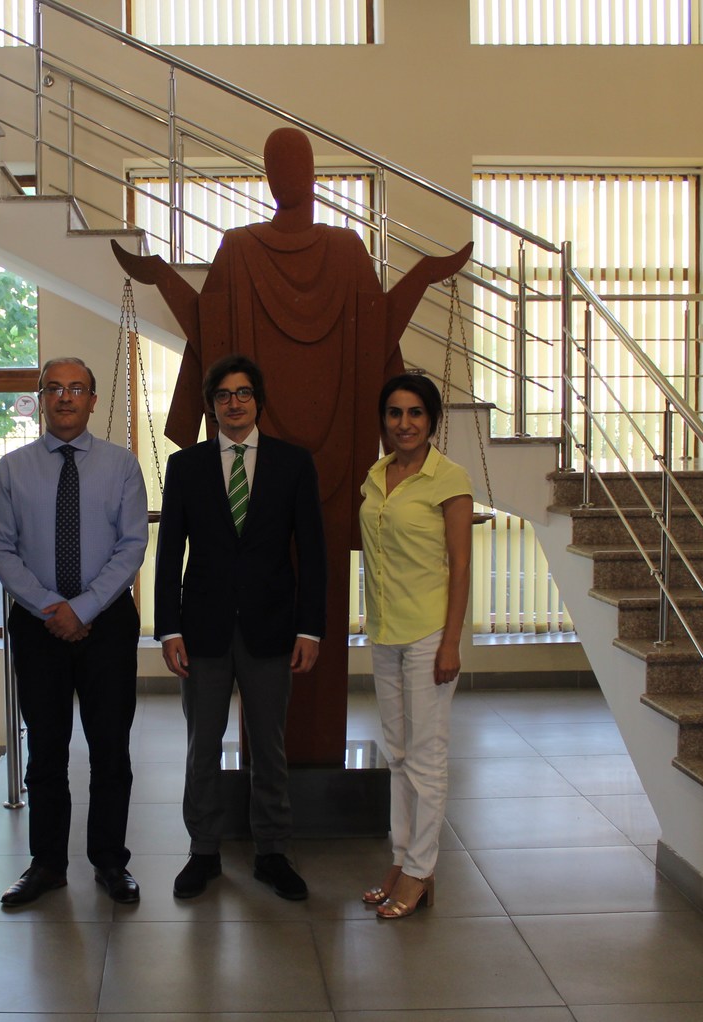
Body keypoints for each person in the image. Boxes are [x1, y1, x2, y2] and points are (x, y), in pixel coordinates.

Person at [114, 126, 472, 766]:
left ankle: (311, 764)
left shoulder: (347, 250)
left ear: (311, 174)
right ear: (269, 176)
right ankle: (270, 775)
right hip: (261, 473)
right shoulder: (238, 249)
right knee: (262, 614)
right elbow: (209, 328)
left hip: (335, 466)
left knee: (318, 609)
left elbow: (376, 330)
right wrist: (161, 276)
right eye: (277, 165)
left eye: (297, 164)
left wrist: (423, 276)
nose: (288, 176)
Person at [154, 354, 327, 900]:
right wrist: (168, 629)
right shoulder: (185, 466)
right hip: (201, 632)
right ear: (212, 405)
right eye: (224, 395)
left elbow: (313, 553)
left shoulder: (293, 464)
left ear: (259, 401)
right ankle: (203, 851)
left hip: (272, 629)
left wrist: (310, 629)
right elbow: (169, 553)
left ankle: (272, 852)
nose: (234, 403)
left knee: (269, 748)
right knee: (202, 745)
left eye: (244, 393)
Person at [0, 357, 149, 907]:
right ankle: (47, 864)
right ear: (40, 399)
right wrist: (52, 607)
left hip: (108, 624)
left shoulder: (122, 466)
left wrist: (83, 608)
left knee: (110, 748)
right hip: (39, 627)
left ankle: (110, 861)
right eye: (53, 388)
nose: (65, 397)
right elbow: (0, 548)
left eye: (77, 388)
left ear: (93, 400)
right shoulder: (12, 469)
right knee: (46, 749)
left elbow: (132, 545)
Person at [358, 372, 473, 919]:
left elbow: (461, 568)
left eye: (415, 413)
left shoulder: (449, 479)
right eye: (395, 413)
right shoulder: (376, 475)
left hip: (428, 634)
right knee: (398, 753)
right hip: (385, 630)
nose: (404, 424)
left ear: (432, 421)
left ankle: (422, 871)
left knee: (426, 758)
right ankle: (401, 860)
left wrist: (451, 642)